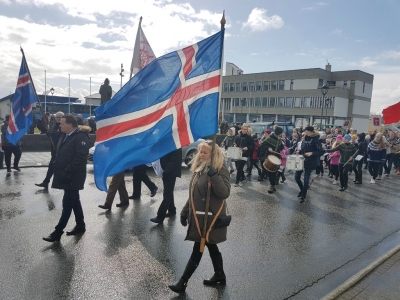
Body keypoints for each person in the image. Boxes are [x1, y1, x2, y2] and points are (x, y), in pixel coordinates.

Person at [168, 140, 230, 294]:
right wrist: (184, 211)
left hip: (210, 218)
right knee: (210, 245)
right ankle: (220, 275)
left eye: (205, 152)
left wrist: (214, 175)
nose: (201, 154)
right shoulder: (200, 169)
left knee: (199, 248)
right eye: (200, 152)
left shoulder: (219, 169)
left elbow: (224, 193)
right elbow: (194, 194)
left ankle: (183, 282)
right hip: (199, 217)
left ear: (213, 154)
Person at [43, 115, 91, 242]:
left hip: (73, 177)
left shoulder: (80, 137)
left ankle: (57, 233)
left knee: (67, 204)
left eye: (62, 123)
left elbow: (80, 158)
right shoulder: (65, 135)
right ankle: (80, 225)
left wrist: (67, 169)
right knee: (75, 202)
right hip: (66, 175)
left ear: (70, 125)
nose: (60, 125)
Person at [150, 148, 182, 223]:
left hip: (170, 172)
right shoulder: (169, 141)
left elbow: (175, 160)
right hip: (165, 171)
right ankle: (172, 210)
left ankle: (160, 216)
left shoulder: (176, 144)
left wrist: (166, 172)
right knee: (169, 191)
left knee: (167, 193)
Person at [35, 111, 65, 189]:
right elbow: (54, 136)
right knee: (51, 167)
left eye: (60, 117)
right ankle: (46, 182)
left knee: (58, 168)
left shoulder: (63, 125)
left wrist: (52, 134)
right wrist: (49, 134)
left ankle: (63, 183)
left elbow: (61, 136)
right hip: (54, 150)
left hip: (60, 150)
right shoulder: (55, 125)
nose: (58, 119)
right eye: (57, 117)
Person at [294, 126, 324, 203]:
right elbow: (303, 149)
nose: (304, 132)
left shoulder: (316, 140)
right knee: (297, 177)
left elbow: (321, 151)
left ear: (309, 131)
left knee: (306, 179)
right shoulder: (305, 138)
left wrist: (312, 153)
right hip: (302, 159)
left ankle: (303, 195)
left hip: (311, 161)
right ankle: (302, 190)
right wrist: (299, 152)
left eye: (305, 130)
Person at [259, 126, 284, 193]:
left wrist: (283, 149)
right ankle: (272, 185)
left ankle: (272, 185)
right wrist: (268, 148)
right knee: (270, 172)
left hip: (277, 157)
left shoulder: (279, 139)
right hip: (269, 157)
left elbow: (281, 147)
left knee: (274, 172)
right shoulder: (270, 138)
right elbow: (262, 145)